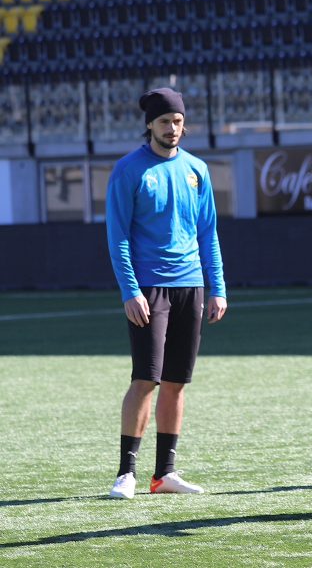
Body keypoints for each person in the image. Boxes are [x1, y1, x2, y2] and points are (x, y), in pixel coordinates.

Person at [106, 87, 227, 499]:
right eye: (164, 122)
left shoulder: (197, 170)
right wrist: (130, 290)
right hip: (148, 288)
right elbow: (118, 236)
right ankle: (127, 473)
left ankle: (166, 474)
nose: (172, 129)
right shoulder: (129, 170)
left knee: (176, 382)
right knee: (146, 379)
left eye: (177, 122)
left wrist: (217, 287)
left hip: (190, 285)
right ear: (150, 125)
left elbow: (208, 232)